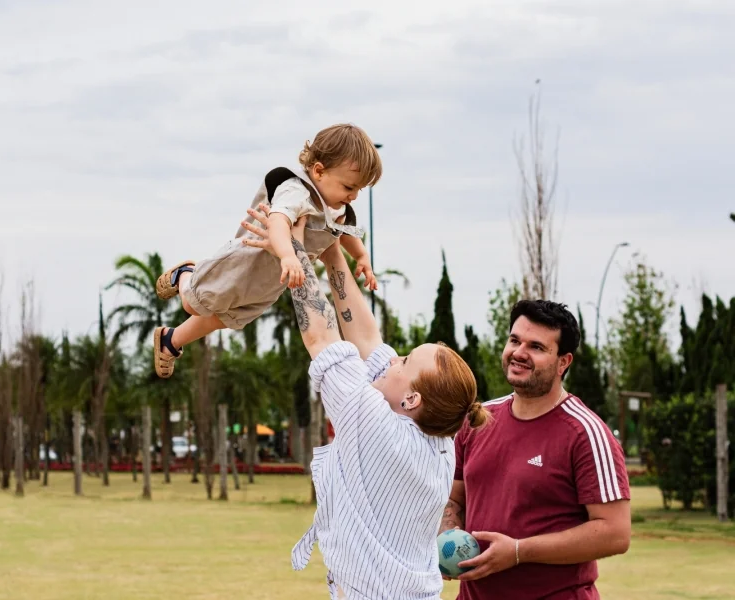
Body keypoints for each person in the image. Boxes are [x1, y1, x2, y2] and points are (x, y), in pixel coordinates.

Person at [240, 204, 488, 600]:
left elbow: (321, 337)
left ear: (410, 398)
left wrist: (292, 251)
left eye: (404, 361)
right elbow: (368, 339)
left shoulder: (374, 422)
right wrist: (331, 247)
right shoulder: (437, 437)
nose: (393, 358)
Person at [152, 124, 381, 378]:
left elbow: (343, 230)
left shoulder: (335, 203)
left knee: (227, 318)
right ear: (318, 171)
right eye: (350, 187)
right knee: (193, 303)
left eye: (360, 189)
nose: (355, 196)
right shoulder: (297, 191)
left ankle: (170, 340)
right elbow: (279, 221)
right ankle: (185, 274)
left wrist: (361, 256)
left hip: (273, 280)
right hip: (248, 262)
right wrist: (287, 256)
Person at [440, 300, 631, 600]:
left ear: (563, 362)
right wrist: (448, 533)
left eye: (536, 347)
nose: (519, 353)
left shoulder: (586, 433)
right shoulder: (477, 420)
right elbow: (454, 498)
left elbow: (615, 533)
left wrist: (518, 551)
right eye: (515, 340)